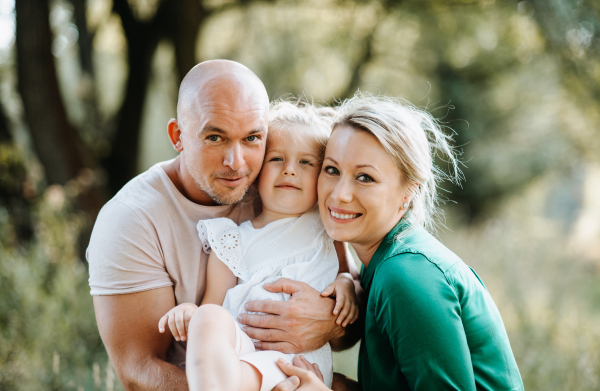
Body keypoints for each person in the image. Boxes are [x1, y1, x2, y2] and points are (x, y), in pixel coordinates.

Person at [86, 60, 352, 390]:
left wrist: (329, 325)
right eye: (215, 137)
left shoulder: (281, 188)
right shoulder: (131, 221)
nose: (236, 162)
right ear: (178, 136)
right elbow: (139, 373)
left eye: (252, 138)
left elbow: (349, 324)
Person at [279, 93, 524, 390]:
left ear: (408, 192)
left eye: (365, 177)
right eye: (332, 170)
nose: (340, 194)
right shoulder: (382, 261)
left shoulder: (406, 276)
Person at [158, 102, 359, 391]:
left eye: (305, 162)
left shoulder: (327, 224)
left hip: (297, 363)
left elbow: (347, 273)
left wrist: (345, 284)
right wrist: (192, 311)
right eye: (277, 159)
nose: (290, 170)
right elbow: (214, 306)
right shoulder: (232, 239)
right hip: (241, 348)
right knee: (210, 319)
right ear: (257, 173)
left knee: (235, 377)